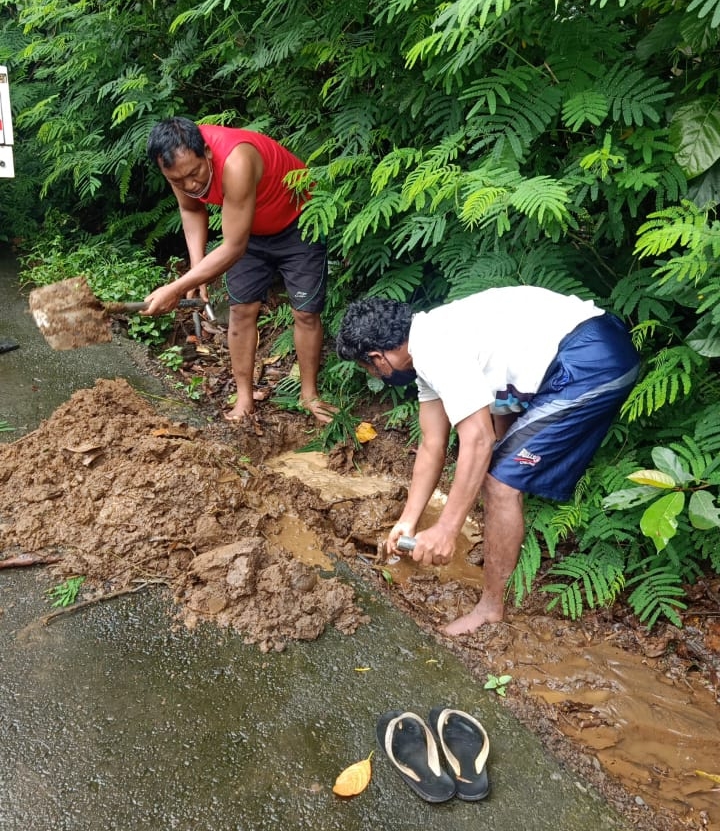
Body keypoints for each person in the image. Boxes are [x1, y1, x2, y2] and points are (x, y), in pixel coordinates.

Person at [335, 287, 640, 635]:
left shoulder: (436, 349)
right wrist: (408, 520)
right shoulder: (428, 345)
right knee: (498, 465)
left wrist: (447, 529)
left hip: (590, 360)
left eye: (369, 368)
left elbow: (479, 439)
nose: (376, 375)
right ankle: (500, 549)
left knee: (498, 482)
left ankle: (491, 609)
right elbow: (432, 444)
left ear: (378, 357)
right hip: (594, 345)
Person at [143, 117, 337, 424]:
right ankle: (245, 399)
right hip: (249, 229)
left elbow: (234, 247)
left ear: (207, 152)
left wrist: (176, 288)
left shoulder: (237, 160)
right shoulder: (177, 166)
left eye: (194, 174)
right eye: (178, 181)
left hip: (299, 221)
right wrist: (197, 267)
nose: (190, 185)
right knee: (241, 311)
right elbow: (191, 209)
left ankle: (309, 395)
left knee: (306, 312)